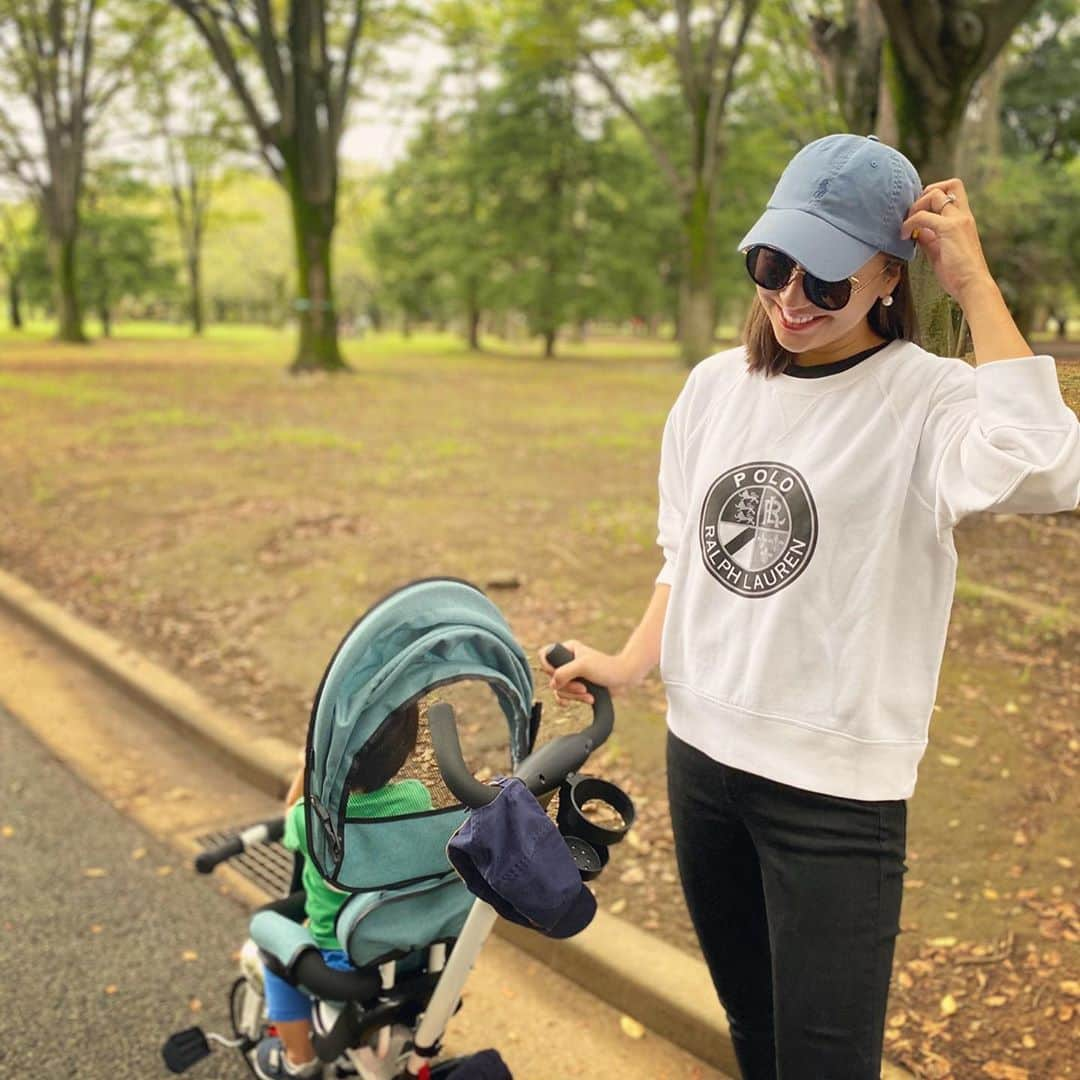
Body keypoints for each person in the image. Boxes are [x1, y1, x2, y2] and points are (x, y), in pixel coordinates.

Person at [540, 133, 1080, 1079]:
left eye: (825, 281)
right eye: (771, 264)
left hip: (835, 796)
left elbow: (1052, 464)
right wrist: (628, 664)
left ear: (888, 275)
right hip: (702, 763)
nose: (790, 298)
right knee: (754, 1031)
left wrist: (977, 289)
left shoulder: (929, 401)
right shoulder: (716, 388)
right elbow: (688, 558)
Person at [254, 702, 430, 1080]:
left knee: (269, 944)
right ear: (406, 751)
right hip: (403, 958)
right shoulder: (417, 799)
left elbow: (291, 812)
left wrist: (309, 763)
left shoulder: (309, 818)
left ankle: (297, 1060)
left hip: (340, 965)